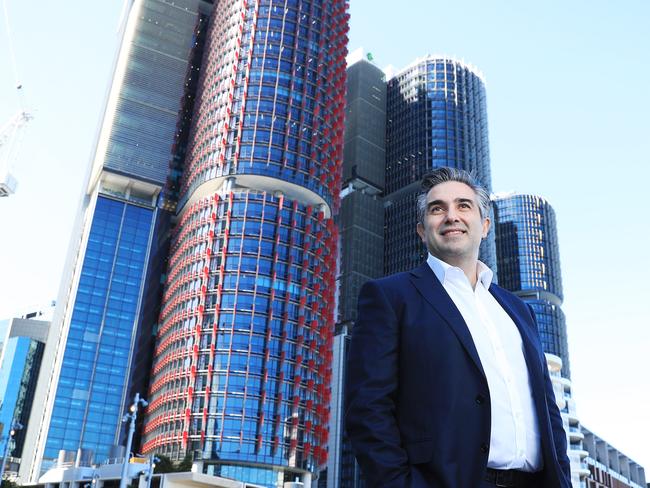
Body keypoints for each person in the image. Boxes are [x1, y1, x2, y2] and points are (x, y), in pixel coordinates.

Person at [345, 167, 571, 487]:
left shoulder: (519, 310)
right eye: (438, 209)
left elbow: (548, 410)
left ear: (485, 226)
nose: (452, 216)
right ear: (422, 230)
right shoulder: (390, 297)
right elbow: (368, 411)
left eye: (464, 205)